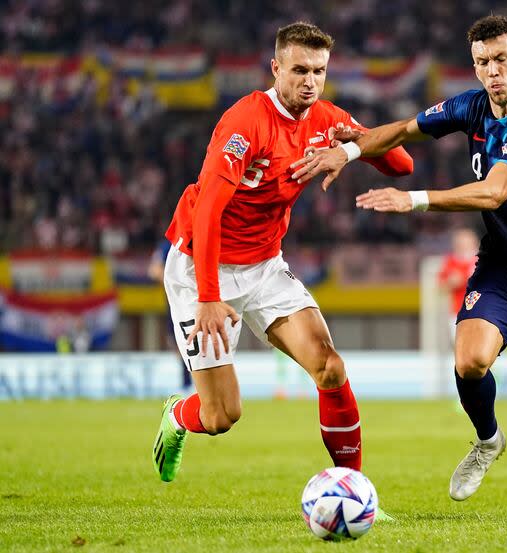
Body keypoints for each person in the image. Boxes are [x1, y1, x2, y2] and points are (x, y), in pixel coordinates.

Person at [290, 15, 507, 519]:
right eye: (482, 62)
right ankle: (488, 440)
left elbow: (494, 192)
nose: (492, 71)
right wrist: (347, 150)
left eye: (501, 60)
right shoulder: (473, 107)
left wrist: (412, 201)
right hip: (503, 263)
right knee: (469, 361)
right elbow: (406, 130)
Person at [153, 21, 413, 492]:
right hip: (202, 268)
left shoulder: (324, 118)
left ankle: (352, 492)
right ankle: (176, 416)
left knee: (330, 367)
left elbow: (402, 164)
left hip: (265, 265)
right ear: (276, 69)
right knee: (221, 415)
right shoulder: (245, 122)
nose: (309, 81)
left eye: (319, 71)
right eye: (299, 70)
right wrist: (208, 298)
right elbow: (208, 210)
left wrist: (350, 146)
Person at [148, 237, 193, 392]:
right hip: (175, 302)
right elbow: (154, 271)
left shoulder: (196, 239)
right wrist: (176, 282)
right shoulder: (167, 245)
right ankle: (188, 383)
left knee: (194, 341)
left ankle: (191, 384)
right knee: (179, 343)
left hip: (197, 299)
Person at [438, 227, 480, 342]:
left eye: (467, 243)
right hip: (458, 312)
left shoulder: (483, 260)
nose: (464, 246)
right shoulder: (451, 261)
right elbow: (441, 286)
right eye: (461, 243)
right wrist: (451, 282)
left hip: (483, 311)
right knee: (462, 345)